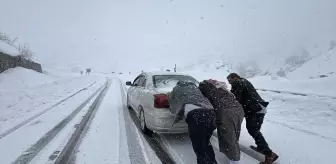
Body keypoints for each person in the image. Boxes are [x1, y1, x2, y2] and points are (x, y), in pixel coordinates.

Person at [227, 73, 279, 164]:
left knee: (253, 130)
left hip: (255, 109)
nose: (229, 82)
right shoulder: (243, 82)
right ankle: (261, 147)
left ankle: (269, 154)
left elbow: (236, 99)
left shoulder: (239, 82)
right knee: (254, 129)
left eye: (230, 80)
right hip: (256, 108)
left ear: (235, 77)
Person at [168, 81, 217, 164]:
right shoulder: (195, 88)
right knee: (205, 142)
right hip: (211, 114)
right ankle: (212, 162)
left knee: (199, 147)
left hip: (196, 116)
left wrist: (174, 110)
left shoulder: (176, 89)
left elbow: (170, 100)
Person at [199, 79, 244, 164]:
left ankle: (234, 160)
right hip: (239, 109)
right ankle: (232, 155)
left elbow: (205, 103)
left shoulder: (206, 90)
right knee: (234, 133)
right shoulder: (220, 87)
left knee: (228, 137)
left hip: (226, 111)